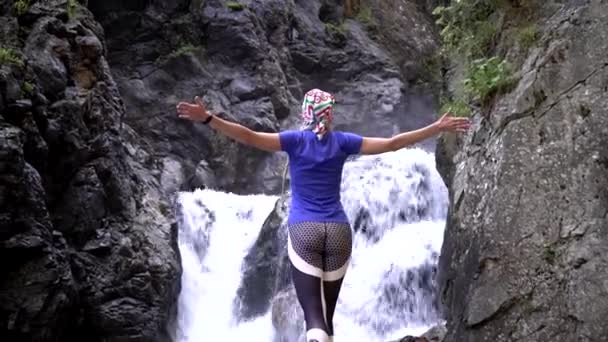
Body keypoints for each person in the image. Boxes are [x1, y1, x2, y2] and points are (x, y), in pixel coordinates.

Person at [176, 89, 470, 342]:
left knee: (313, 318)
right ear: (328, 114)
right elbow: (393, 144)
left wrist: (208, 118)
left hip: (305, 229)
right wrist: (435, 127)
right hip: (339, 231)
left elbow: (250, 137)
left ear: (306, 113)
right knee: (327, 317)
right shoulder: (342, 142)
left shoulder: (295, 141)